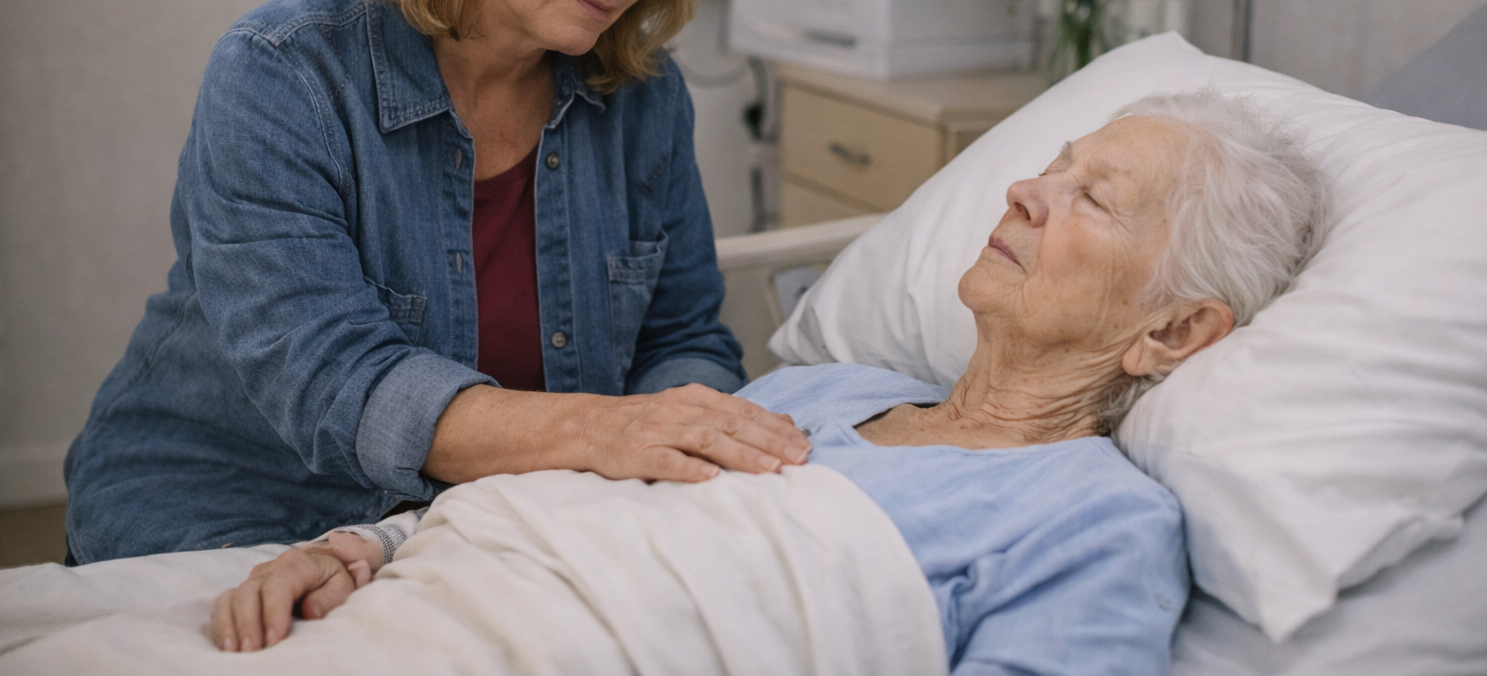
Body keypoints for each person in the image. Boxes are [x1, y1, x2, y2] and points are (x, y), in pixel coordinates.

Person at [212, 90, 1330, 674]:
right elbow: (578, 501)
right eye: (1053, 166)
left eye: (1096, 199)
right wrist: (373, 546)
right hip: (426, 606)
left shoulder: (1096, 521)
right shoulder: (828, 388)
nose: (1030, 194)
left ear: (1176, 331)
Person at [63, 0, 810, 566]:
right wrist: (614, 431)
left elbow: (683, 339)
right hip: (234, 514)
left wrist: (693, 438)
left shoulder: (642, 95)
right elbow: (340, 384)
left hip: (480, 528)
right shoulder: (283, 77)